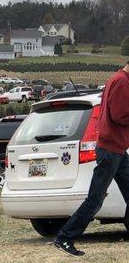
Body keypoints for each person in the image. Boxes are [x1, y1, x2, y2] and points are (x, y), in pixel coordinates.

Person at [54, 61, 129, 256]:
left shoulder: (116, 79)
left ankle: (66, 236)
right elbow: (120, 116)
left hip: (116, 149)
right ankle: (65, 237)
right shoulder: (122, 82)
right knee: (95, 199)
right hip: (111, 149)